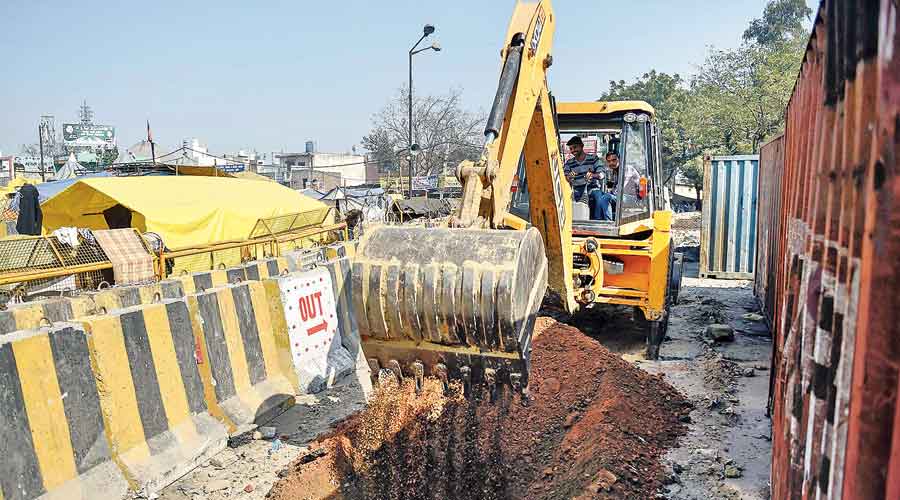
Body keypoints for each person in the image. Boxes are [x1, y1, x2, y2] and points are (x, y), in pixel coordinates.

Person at [563, 136, 605, 219]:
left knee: (599, 198)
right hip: (576, 189)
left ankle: (597, 222)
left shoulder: (593, 158)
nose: (573, 150)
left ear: (582, 146)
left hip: (592, 188)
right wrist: (569, 177)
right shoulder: (569, 162)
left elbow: (602, 174)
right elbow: (566, 177)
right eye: (571, 149)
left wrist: (593, 175)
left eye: (575, 147)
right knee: (564, 201)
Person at [594, 150, 643, 221]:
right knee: (599, 195)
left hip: (634, 199)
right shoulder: (615, 171)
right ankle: (597, 220)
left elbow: (622, 187)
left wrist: (609, 194)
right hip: (623, 197)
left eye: (614, 160)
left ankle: (608, 222)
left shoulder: (627, 168)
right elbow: (614, 188)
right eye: (609, 161)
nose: (611, 163)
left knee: (606, 197)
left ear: (620, 159)